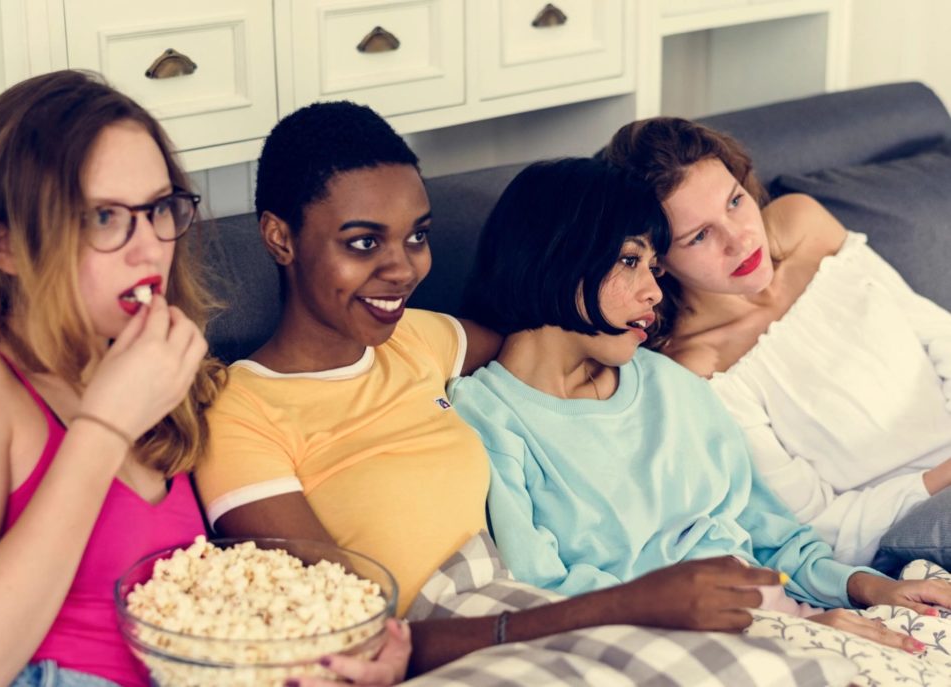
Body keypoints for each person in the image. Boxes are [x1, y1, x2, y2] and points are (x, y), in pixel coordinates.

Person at [193, 101, 806, 684]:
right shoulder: (240, 412)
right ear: (279, 238)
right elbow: (359, 633)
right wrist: (634, 603)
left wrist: (703, 334)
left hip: (522, 600)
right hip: (452, 639)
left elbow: (551, 314)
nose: (403, 269)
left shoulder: (417, 339)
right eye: (362, 242)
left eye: (416, 236)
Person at [0, 71, 366, 687]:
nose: (150, 248)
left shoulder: (155, 376)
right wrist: (104, 426)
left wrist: (337, 656)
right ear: (6, 246)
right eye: (105, 217)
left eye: (159, 208)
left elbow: (199, 620)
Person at [449, 156, 951, 659]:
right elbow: (545, 591)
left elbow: (777, 538)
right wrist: (781, 632)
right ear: (556, 254)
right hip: (693, 648)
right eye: (629, 261)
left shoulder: (670, 385)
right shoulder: (489, 418)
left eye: (653, 268)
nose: (652, 292)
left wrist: (868, 589)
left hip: (798, 617)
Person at [598, 118, 951, 573]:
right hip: (913, 524)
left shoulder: (804, 225)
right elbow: (820, 526)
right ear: (657, 261)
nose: (740, 237)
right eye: (700, 236)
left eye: (735, 201)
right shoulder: (700, 372)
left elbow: (937, 332)